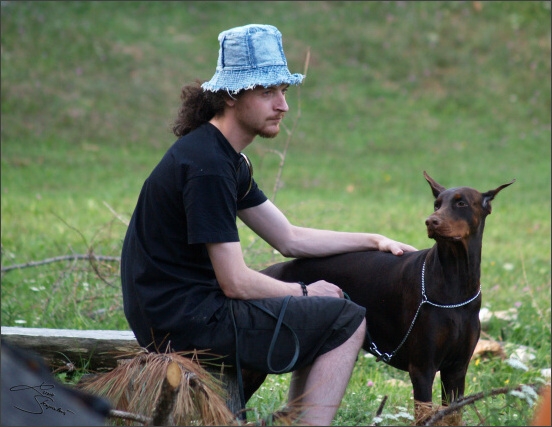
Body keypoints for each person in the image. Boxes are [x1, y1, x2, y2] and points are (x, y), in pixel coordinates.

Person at [121, 24, 416, 425]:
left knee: (328, 307)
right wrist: (304, 291)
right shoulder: (208, 167)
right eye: (267, 92)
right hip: (182, 324)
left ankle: (293, 419)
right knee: (347, 320)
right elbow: (236, 283)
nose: (283, 106)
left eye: (284, 92)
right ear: (230, 95)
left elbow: (289, 238)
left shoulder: (227, 158)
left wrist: (373, 240)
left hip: (182, 312)